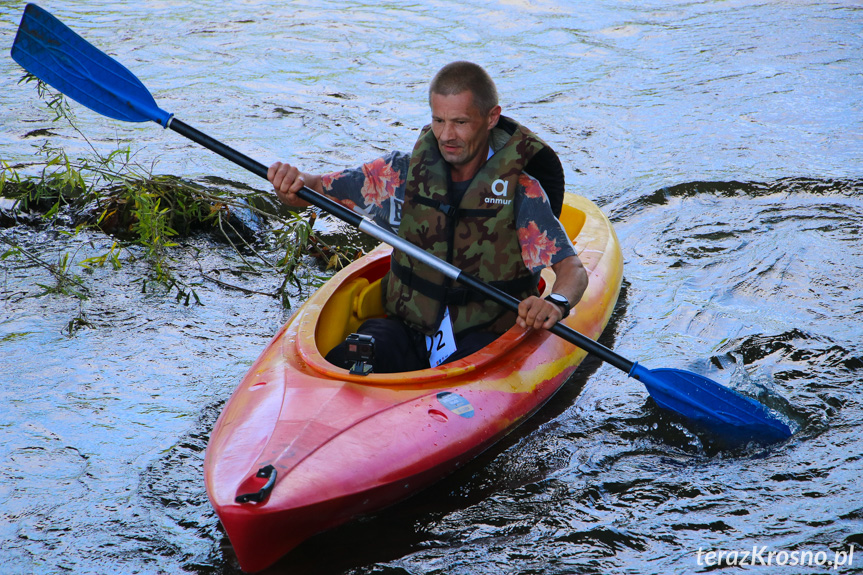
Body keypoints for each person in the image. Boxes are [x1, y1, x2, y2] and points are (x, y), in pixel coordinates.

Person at [269, 61, 588, 373]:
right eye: (438, 120)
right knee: (349, 355)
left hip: (484, 339)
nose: (446, 135)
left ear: (492, 118)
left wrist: (556, 302)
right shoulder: (399, 174)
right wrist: (293, 185)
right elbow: (315, 188)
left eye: (460, 122)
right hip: (406, 328)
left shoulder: (522, 193)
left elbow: (571, 269)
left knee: (463, 371)